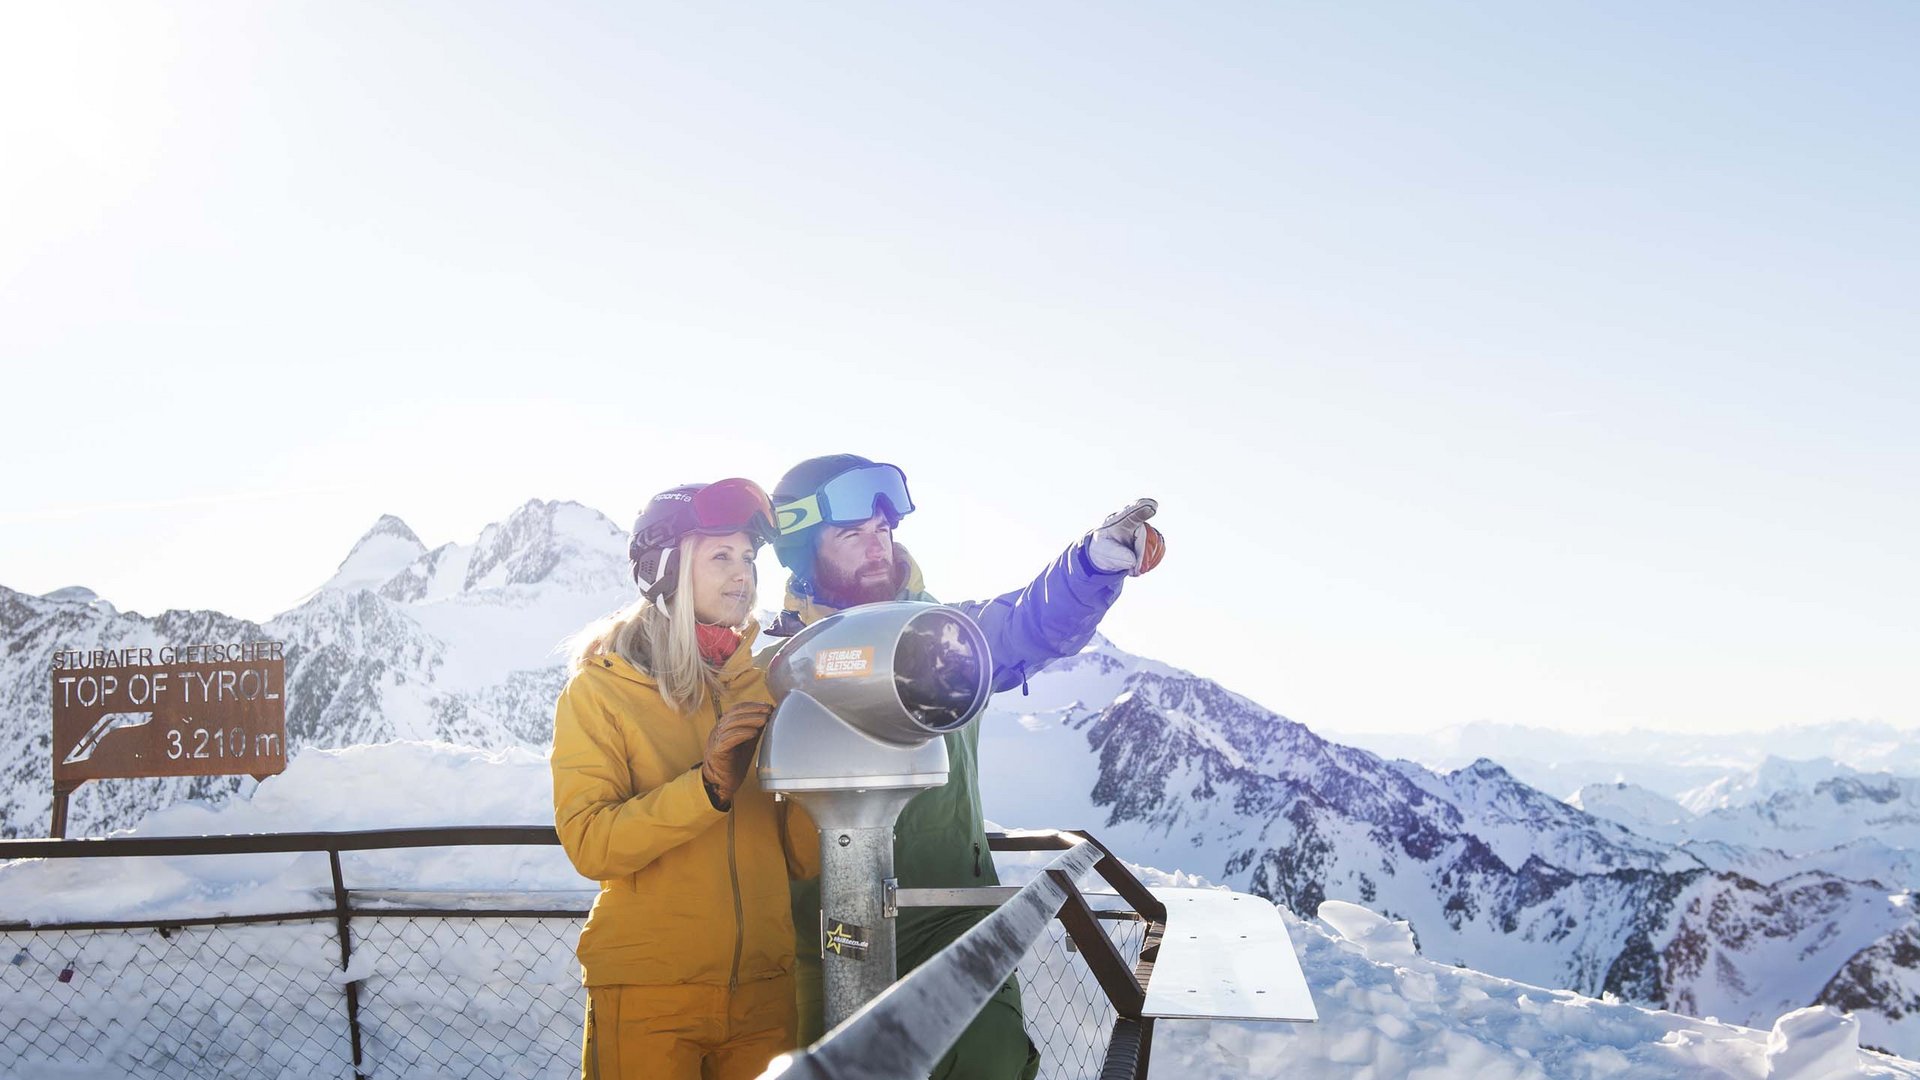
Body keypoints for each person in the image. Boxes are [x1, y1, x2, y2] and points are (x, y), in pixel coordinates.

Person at [764, 454, 1164, 1080]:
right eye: (851, 535)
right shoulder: (774, 659)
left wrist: (1090, 565)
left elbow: (1028, 625)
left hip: (945, 910)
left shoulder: (942, 637)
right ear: (801, 551)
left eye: (884, 532)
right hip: (819, 931)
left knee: (989, 1064)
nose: (877, 550)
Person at [551, 478, 813, 1080]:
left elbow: (804, 861)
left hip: (765, 994)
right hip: (650, 990)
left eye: (748, 557)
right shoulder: (603, 689)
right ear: (666, 568)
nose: (743, 574)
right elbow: (590, 843)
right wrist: (707, 788)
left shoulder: (768, 685)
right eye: (720, 555)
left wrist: (817, 778)